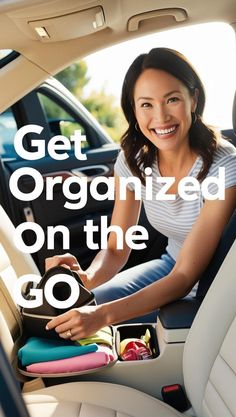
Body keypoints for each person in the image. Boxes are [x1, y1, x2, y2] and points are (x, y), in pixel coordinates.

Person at [45, 47, 236, 340]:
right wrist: (86, 278)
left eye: (172, 99)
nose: (161, 117)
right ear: (133, 110)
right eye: (146, 105)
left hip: (212, 285)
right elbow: (117, 247)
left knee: (97, 316)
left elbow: (185, 278)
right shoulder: (133, 160)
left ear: (193, 99)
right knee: (75, 309)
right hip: (170, 265)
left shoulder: (223, 165)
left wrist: (103, 315)